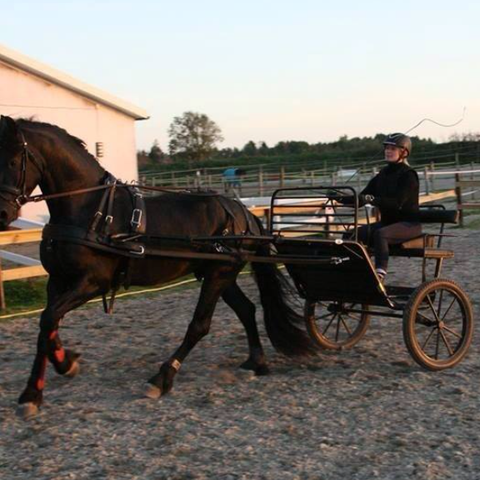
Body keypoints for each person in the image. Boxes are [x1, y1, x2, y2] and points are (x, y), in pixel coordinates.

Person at [353, 133, 421, 283]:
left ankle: (379, 273)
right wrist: (340, 198)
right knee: (352, 235)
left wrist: (371, 199)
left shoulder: (409, 175)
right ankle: (355, 271)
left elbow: (397, 203)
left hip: (409, 224)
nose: (388, 151)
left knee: (380, 234)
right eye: (387, 148)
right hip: (388, 223)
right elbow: (362, 197)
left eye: (393, 149)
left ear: (403, 152)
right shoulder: (382, 174)